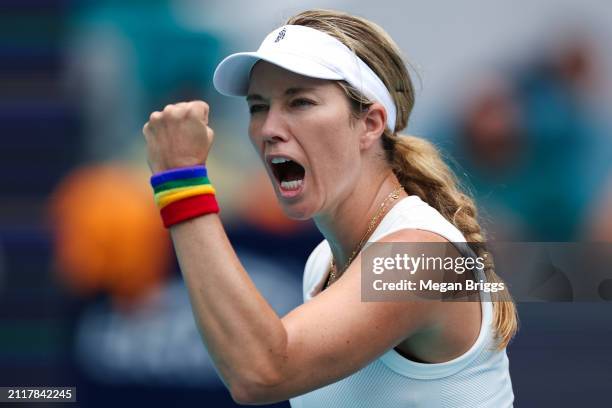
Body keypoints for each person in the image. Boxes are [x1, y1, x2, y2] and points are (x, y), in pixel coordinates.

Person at [142, 9, 516, 407]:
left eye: (300, 102)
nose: (269, 128)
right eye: (258, 107)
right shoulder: (323, 262)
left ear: (370, 124)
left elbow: (262, 373)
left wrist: (182, 183)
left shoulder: (419, 255)